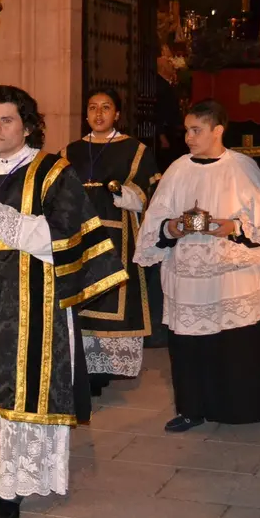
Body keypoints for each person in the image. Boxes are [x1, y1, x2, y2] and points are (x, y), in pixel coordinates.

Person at [0, 85, 126, 518]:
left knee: (25, 387)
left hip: (36, 304)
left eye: (7, 120)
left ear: (27, 126)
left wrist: (0, 217)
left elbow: (66, 236)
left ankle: (12, 487)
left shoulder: (54, 173)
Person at [136, 100, 260, 432]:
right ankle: (192, 409)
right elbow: (155, 222)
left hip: (234, 275)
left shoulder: (242, 168)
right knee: (190, 345)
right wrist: (172, 228)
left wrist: (232, 227)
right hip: (189, 275)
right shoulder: (178, 169)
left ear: (217, 130)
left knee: (234, 343)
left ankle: (239, 408)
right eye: (186, 130)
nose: (188, 137)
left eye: (196, 130)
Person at [62, 89, 159, 395]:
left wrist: (120, 192)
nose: (99, 113)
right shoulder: (71, 150)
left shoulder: (135, 150)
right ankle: (83, 370)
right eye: (92, 107)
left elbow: (147, 195)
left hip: (117, 237)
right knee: (81, 301)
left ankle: (103, 369)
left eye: (106, 107)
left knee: (109, 296)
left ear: (117, 114)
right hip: (78, 236)